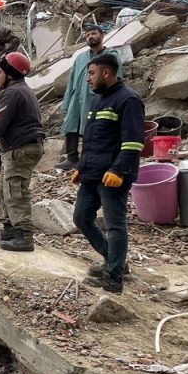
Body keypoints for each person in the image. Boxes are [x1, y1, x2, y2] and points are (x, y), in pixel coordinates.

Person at [72, 53, 144, 294]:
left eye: (91, 73)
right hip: (92, 174)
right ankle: (116, 261)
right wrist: (80, 168)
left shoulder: (128, 100)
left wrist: (119, 170)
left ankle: (113, 278)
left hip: (113, 176)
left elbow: (133, 143)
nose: (87, 79)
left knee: (115, 226)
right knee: (81, 218)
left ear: (106, 73)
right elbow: (92, 140)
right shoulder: (98, 100)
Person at [0, 53, 45, 252]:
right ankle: (9, 229)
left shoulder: (13, 92)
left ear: (10, 74)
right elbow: (10, 115)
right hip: (19, 148)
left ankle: (24, 235)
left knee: (16, 191)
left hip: (21, 148)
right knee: (6, 188)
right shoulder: (19, 91)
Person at [57, 25, 121, 171]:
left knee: (90, 128)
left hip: (94, 97)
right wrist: (66, 103)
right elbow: (72, 80)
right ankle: (72, 158)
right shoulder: (80, 57)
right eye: (87, 35)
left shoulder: (111, 56)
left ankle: (88, 159)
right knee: (71, 126)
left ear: (102, 36)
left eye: (93, 34)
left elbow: (116, 78)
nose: (90, 37)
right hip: (77, 97)